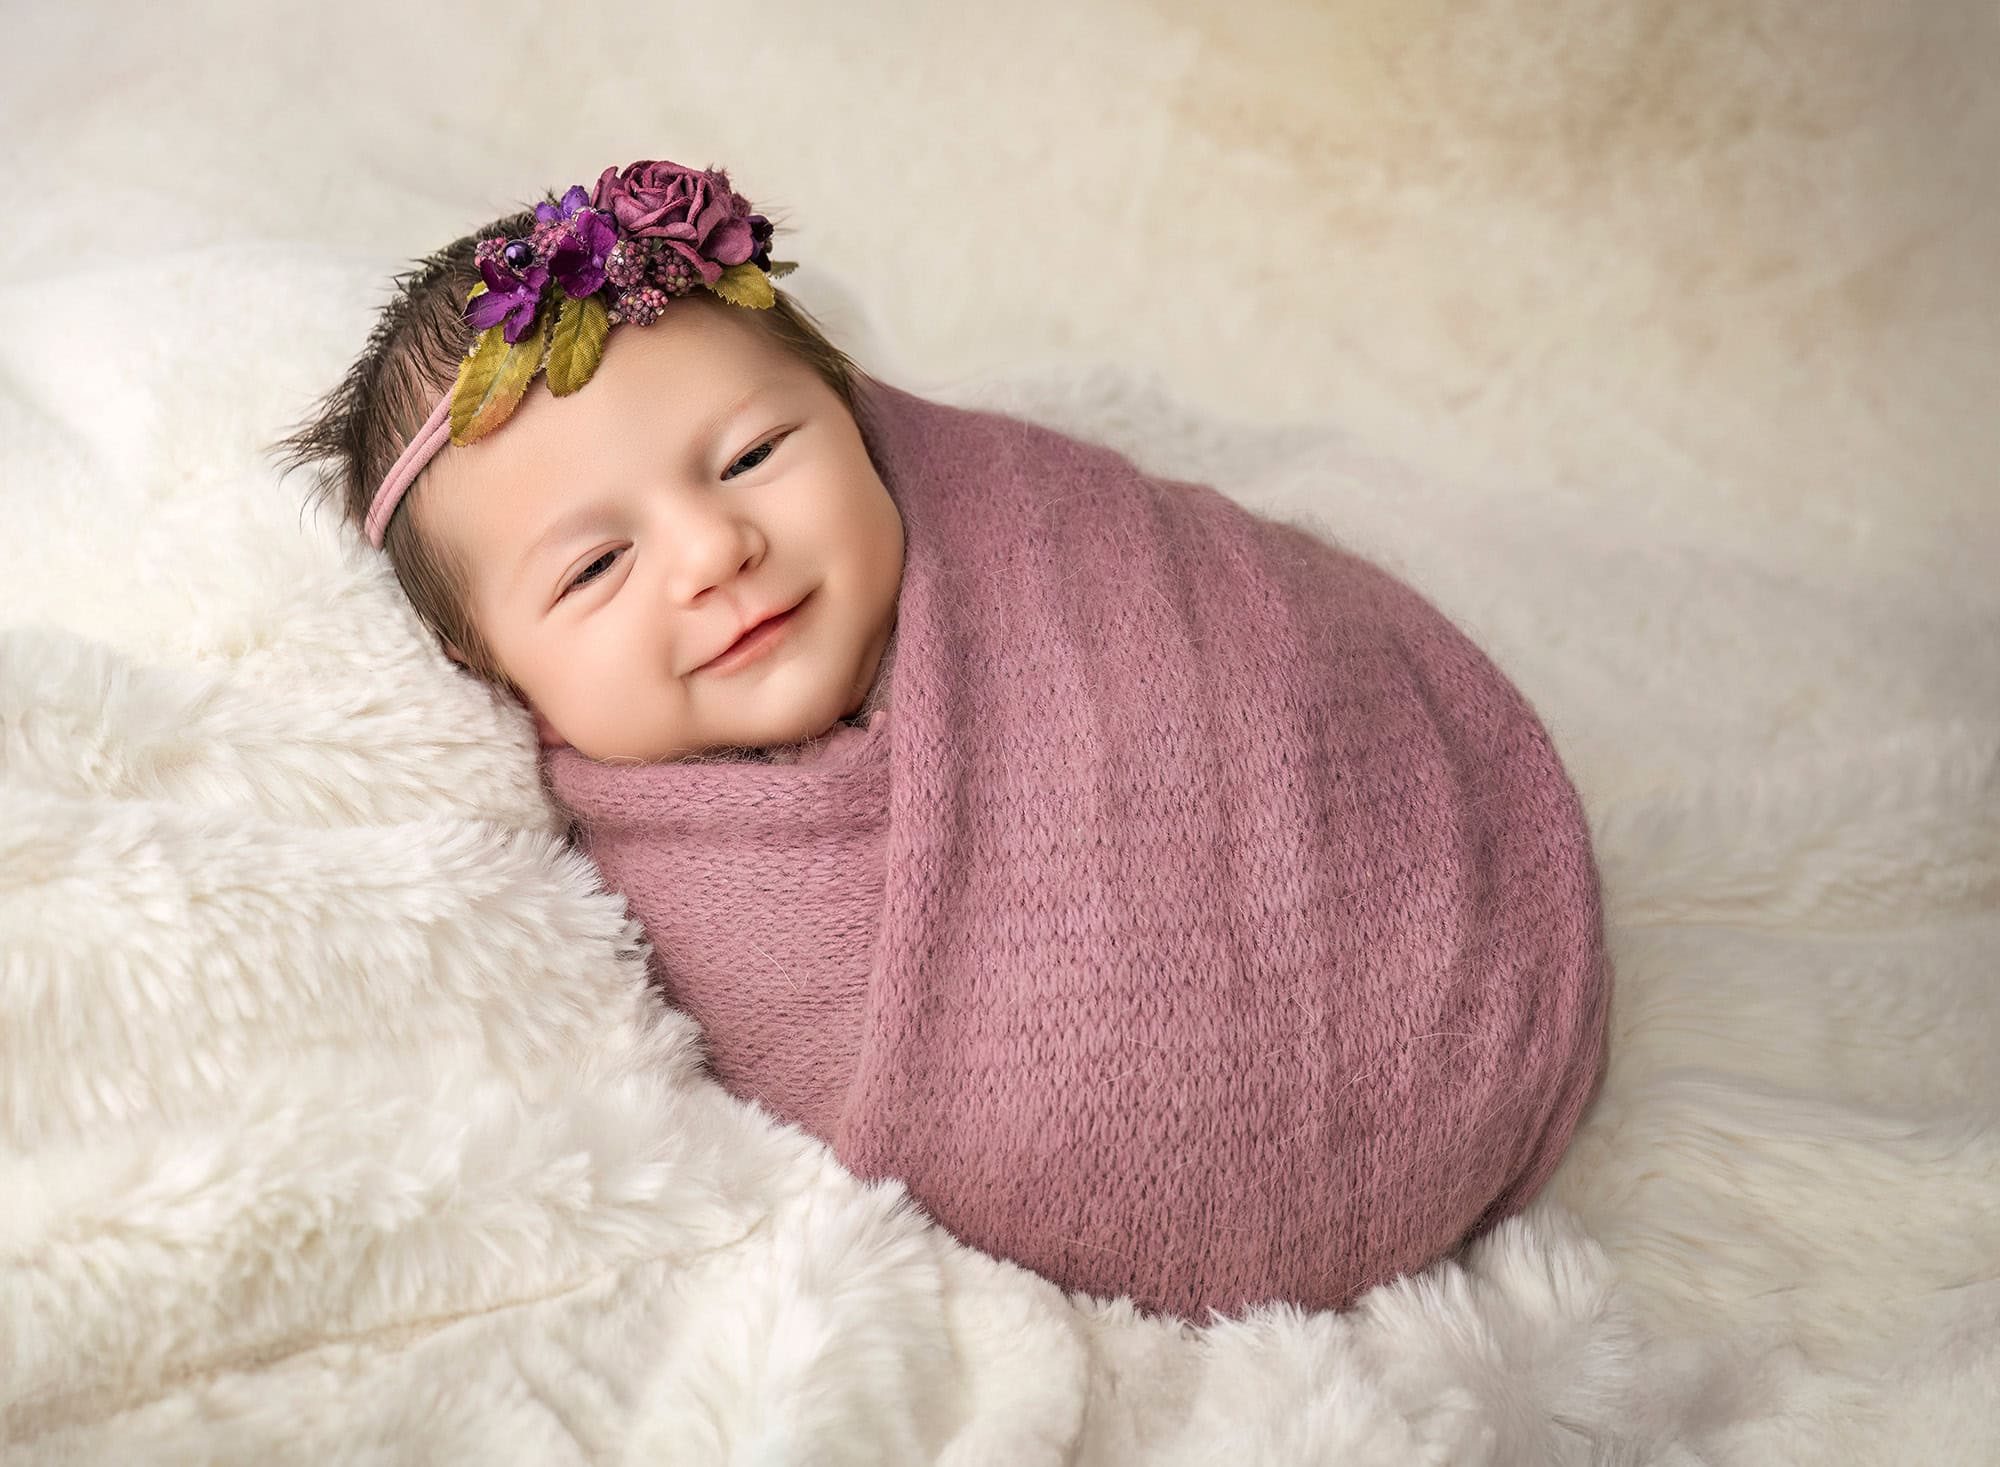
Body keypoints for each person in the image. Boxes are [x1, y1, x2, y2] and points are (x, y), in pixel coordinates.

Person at [272, 156, 1613, 1323]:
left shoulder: (1052, 550)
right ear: (486, 659)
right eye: (595, 569)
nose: (714, 552)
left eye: (751, 457)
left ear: (853, 415)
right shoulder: (630, 910)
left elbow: (1275, 669)